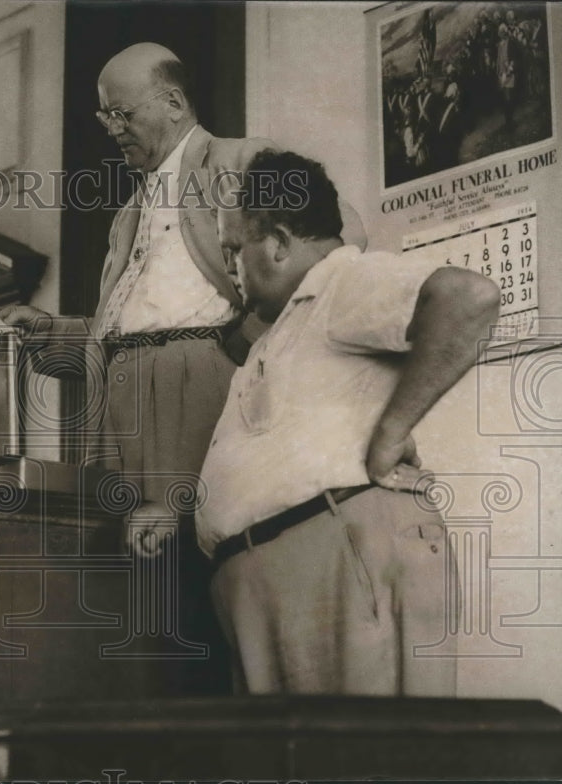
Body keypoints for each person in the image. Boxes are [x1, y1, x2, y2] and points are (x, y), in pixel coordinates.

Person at [0, 42, 365, 556]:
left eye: (121, 113)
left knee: (209, 563)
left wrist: (251, 338)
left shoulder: (241, 159)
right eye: (104, 116)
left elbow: (341, 235)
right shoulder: (130, 209)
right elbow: (148, 322)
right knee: (130, 589)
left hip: (202, 392)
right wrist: (52, 331)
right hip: (119, 409)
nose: (111, 129)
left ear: (172, 103)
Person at [198, 149, 500, 696]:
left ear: (281, 242)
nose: (229, 267)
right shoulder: (292, 319)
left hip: (333, 561)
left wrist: (389, 433)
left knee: (367, 764)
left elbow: (468, 298)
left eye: (233, 250)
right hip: (278, 579)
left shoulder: (341, 280)